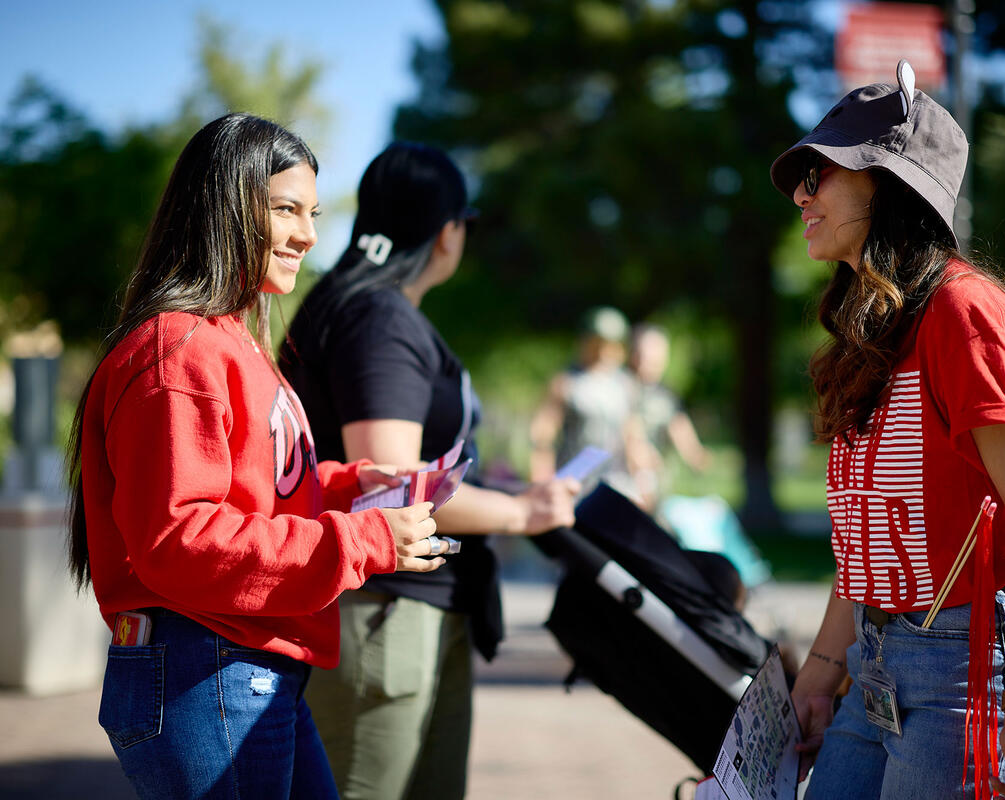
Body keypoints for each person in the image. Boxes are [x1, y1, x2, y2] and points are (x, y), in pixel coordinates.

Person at [65, 113, 444, 800]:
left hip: (241, 668)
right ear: (224, 208)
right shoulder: (177, 349)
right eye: (286, 210)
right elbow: (179, 537)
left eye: (313, 212)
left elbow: (264, 487)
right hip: (206, 670)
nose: (309, 235)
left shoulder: (229, 340)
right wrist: (360, 539)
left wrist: (357, 486)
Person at [768, 62, 1005, 800]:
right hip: (879, 656)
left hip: (975, 664)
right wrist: (824, 670)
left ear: (888, 184)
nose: (802, 192)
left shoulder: (968, 316)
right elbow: (868, 542)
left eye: (822, 173)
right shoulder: (872, 331)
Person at [280, 141, 579, 800]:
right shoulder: (378, 317)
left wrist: (504, 495)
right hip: (384, 611)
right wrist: (523, 512)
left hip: (400, 609)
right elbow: (391, 484)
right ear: (448, 233)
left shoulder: (355, 305)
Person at [529, 305, 650, 503]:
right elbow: (543, 436)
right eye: (597, 344)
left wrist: (643, 479)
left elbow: (633, 437)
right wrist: (541, 480)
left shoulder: (626, 386)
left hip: (615, 481)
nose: (603, 352)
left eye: (609, 345)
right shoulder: (567, 382)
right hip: (572, 482)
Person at [627, 323, 712, 506]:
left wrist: (695, 454)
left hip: (655, 479)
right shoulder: (621, 387)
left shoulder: (666, 394)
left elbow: (679, 427)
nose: (650, 360)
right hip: (626, 477)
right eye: (645, 353)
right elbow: (628, 428)